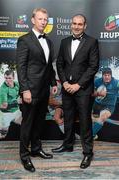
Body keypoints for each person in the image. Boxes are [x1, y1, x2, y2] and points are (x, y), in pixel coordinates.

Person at [52, 14, 99, 169]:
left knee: (85, 120)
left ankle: (87, 152)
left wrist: (78, 85)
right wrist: (64, 82)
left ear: (85, 26)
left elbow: (93, 66)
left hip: (83, 89)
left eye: (80, 24)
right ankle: (67, 144)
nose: (77, 26)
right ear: (71, 25)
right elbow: (59, 64)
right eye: (74, 23)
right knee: (69, 117)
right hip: (67, 88)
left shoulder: (92, 42)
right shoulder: (65, 42)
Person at [16, 8, 57, 172]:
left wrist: (53, 82)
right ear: (33, 20)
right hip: (30, 90)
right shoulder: (24, 40)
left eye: (45, 19)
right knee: (27, 124)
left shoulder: (48, 41)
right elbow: (21, 67)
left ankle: (36, 149)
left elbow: (48, 67)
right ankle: (24, 156)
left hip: (44, 90)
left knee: (39, 122)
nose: (43, 22)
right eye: (40, 19)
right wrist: (24, 89)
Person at [92, 67, 119, 138]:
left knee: (102, 117)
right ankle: (93, 135)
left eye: (108, 75)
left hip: (109, 106)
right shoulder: (97, 81)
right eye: (105, 75)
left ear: (111, 75)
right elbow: (90, 93)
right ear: (102, 75)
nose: (107, 77)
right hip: (97, 105)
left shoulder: (116, 82)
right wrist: (98, 93)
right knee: (91, 119)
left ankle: (90, 136)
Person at [0, 70, 22, 139]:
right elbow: (3, 106)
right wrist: (16, 102)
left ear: (13, 78)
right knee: (2, 136)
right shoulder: (3, 89)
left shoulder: (17, 84)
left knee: (26, 124)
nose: (7, 80)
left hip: (16, 112)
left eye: (9, 78)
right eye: (6, 78)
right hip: (6, 114)